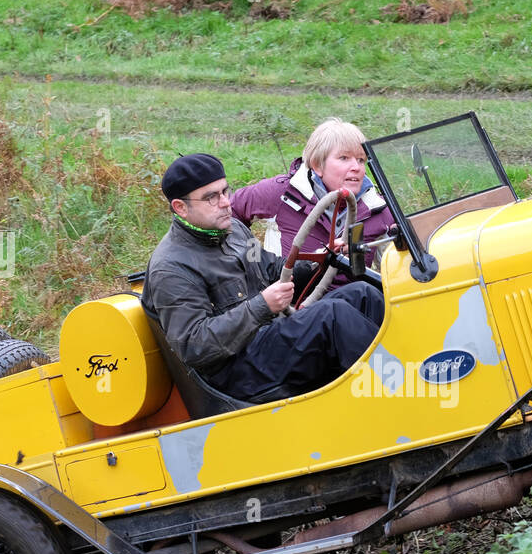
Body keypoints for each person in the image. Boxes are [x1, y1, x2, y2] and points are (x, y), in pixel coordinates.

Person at [142, 152, 385, 404]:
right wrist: (262, 305)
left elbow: (274, 270)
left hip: (267, 339)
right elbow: (194, 345)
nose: (226, 202)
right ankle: (395, 392)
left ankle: (414, 372)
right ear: (181, 207)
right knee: (334, 316)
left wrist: (320, 259)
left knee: (362, 293)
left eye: (225, 191)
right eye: (211, 198)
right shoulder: (171, 268)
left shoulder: (233, 231)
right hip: (236, 371)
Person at [230, 118, 396, 260]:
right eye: (344, 158)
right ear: (318, 165)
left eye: (361, 160)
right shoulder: (282, 193)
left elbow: (398, 271)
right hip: (294, 295)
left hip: (355, 297)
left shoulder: (378, 209)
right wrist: (252, 267)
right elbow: (229, 212)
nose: (356, 167)